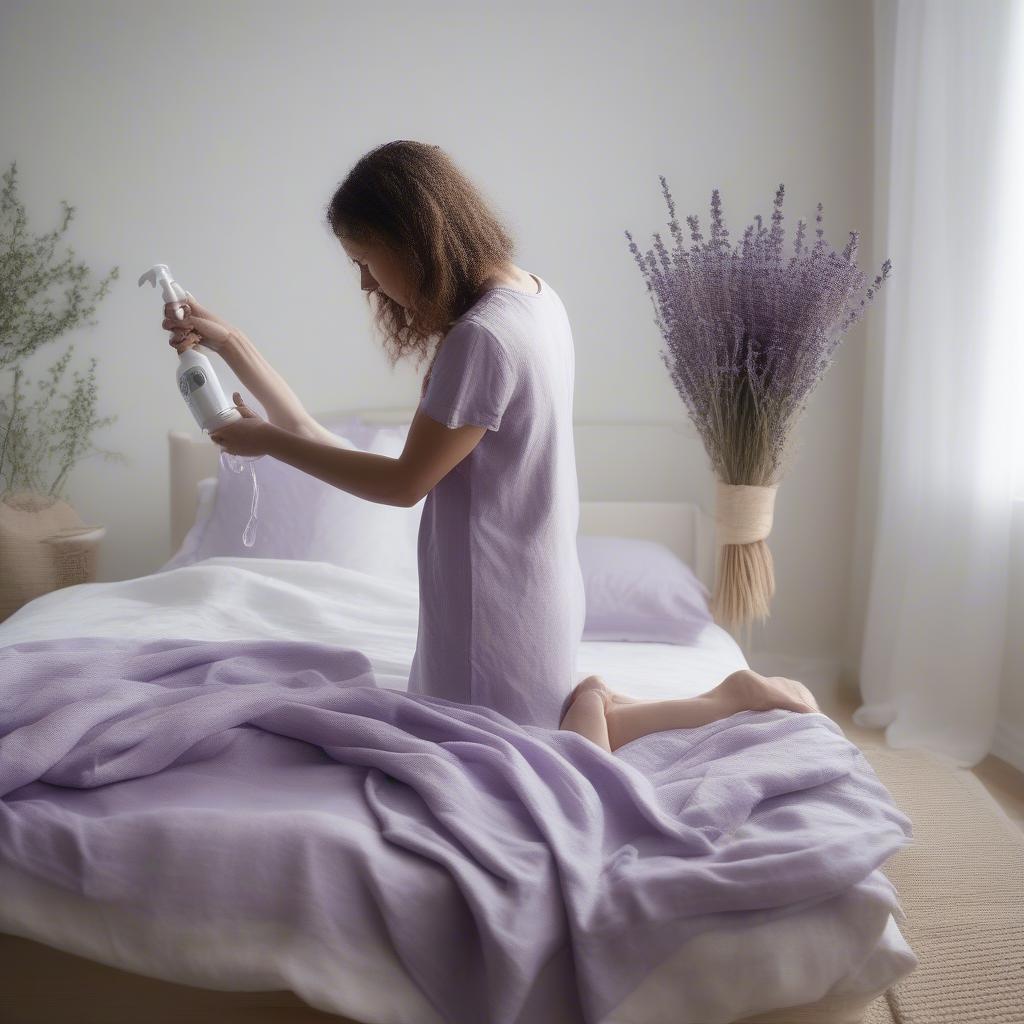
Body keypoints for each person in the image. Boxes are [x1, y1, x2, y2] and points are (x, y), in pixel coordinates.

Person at [162, 139, 585, 730]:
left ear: (412, 241)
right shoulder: (537, 299)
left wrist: (266, 442)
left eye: (365, 260)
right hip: (534, 600)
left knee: (509, 765)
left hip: (491, 620)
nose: (365, 284)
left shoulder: (483, 339)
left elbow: (403, 484)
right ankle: (639, 704)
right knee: (535, 744)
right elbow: (320, 439)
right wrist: (230, 344)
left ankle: (637, 704)